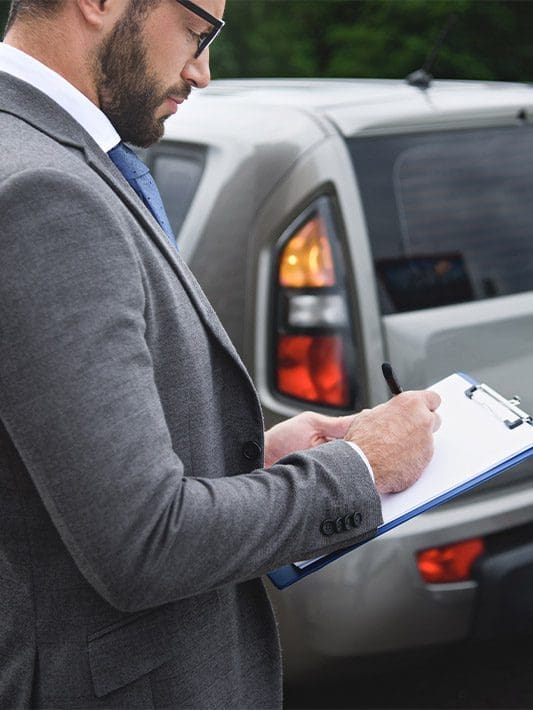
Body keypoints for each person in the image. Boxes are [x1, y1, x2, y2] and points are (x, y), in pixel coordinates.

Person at [0, 0, 441, 707]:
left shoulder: (40, 154)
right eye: (200, 32)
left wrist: (250, 456)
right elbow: (145, 545)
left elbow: (50, 472)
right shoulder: (43, 190)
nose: (203, 72)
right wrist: (361, 469)